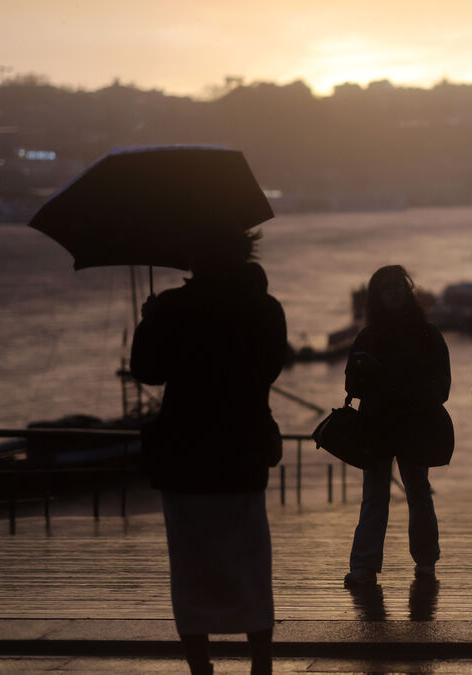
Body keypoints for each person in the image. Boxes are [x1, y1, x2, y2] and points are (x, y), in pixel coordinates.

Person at [130, 229, 286, 675]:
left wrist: (149, 320)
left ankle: (200, 664)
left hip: (184, 454)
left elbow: (147, 371)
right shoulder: (264, 307)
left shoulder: (172, 308)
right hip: (243, 448)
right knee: (250, 558)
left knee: (190, 562)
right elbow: (271, 368)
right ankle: (261, 660)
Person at [343, 265, 449, 587]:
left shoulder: (424, 334)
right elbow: (352, 384)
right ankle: (368, 565)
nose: (395, 293)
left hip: (407, 423)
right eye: (387, 288)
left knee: (413, 493)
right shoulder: (373, 336)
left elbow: (442, 386)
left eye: (399, 286)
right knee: (384, 495)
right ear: (377, 296)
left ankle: (420, 561)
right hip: (382, 425)